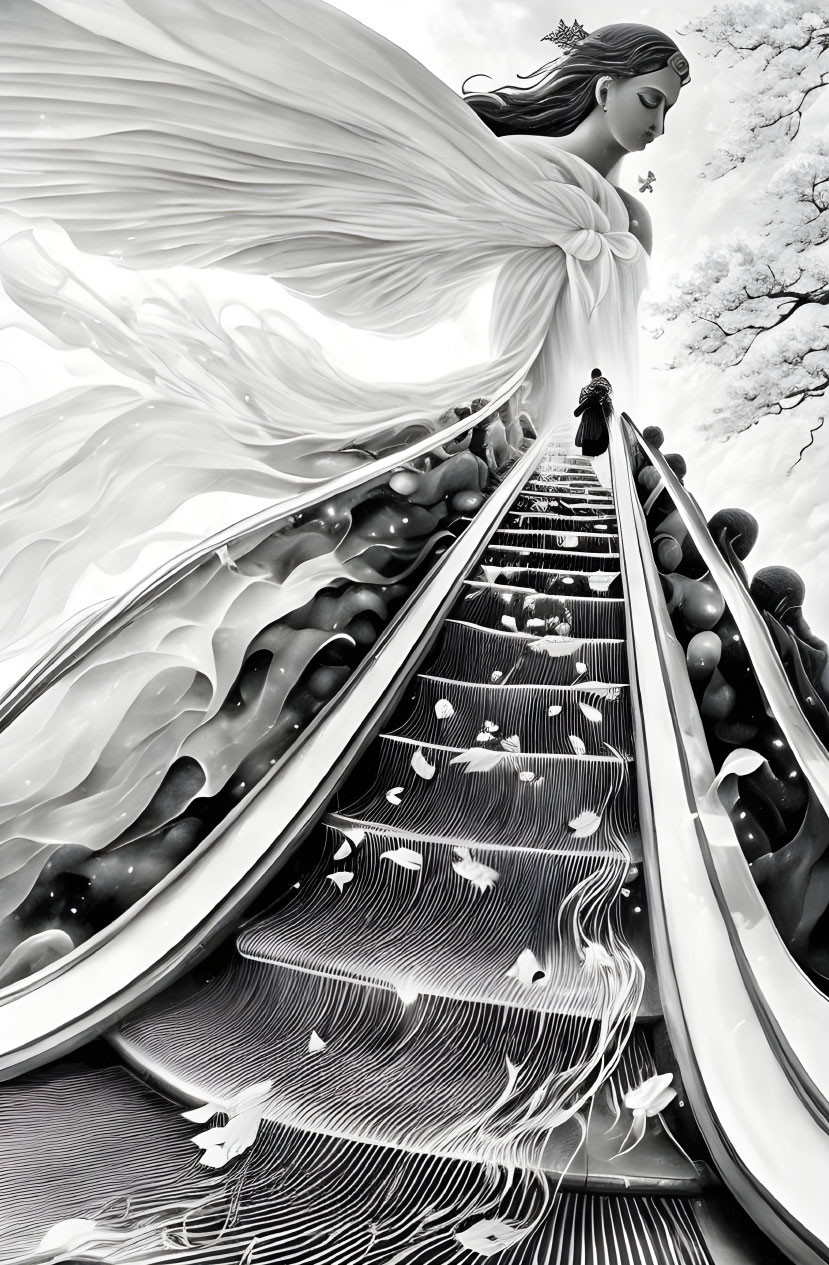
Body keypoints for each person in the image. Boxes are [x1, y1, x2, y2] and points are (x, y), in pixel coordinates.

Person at [0, 4, 690, 970]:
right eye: (650, 100)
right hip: (515, 419)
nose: (657, 125)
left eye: (669, 113)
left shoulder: (640, 224)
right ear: (607, 84)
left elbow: (612, 347)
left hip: (596, 440)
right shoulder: (530, 174)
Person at [574, 367, 614, 457]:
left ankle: (588, 456)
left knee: (588, 443)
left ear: (591, 376)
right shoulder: (603, 383)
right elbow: (608, 399)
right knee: (596, 442)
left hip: (588, 416)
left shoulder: (585, 389)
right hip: (599, 416)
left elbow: (580, 404)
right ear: (600, 375)